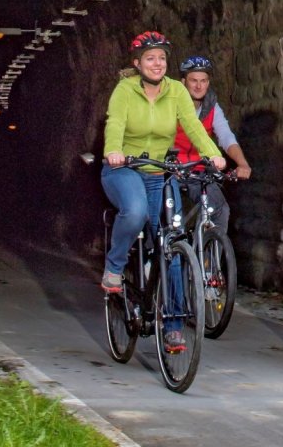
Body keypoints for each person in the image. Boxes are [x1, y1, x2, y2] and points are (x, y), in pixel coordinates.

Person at [100, 30, 226, 349]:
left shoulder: (176, 92)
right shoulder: (125, 90)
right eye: (151, 58)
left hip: (159, 172)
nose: (158, 64)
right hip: (124, 169)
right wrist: (113, 149)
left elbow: (193, 125)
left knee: (170, 244)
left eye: (162, 58)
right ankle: (114, 268)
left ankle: (173, 325)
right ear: (137, 63)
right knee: (135, 210)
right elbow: (114, 123)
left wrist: (212, 153)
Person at [172, 55, 252, 234]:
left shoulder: (212, 107)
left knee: (219, 209)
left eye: (204, 80)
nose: (199, 86)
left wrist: (242, 163)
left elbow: (225, 136)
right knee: (173, 219)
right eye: (193, 80)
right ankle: (170, 256)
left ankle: (207, 260)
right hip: (171, 169)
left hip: (198, 168)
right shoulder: (171, 104)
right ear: (183, 82)